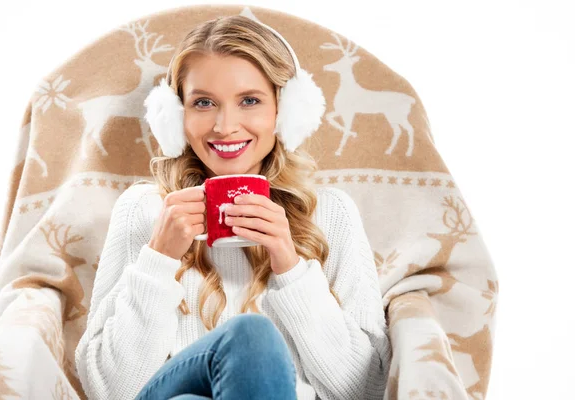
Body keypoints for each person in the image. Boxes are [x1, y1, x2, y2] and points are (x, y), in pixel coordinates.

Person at [75, 15, 391, 400]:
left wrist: (290, 269)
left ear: (285, 111)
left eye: (250, 101)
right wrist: (159, 259)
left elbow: (367, 390)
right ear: (176, 117)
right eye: (203, 102)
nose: (225, 126)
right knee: (249, 336)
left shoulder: (330, 214)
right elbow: (110, 391)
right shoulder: (144, 211)